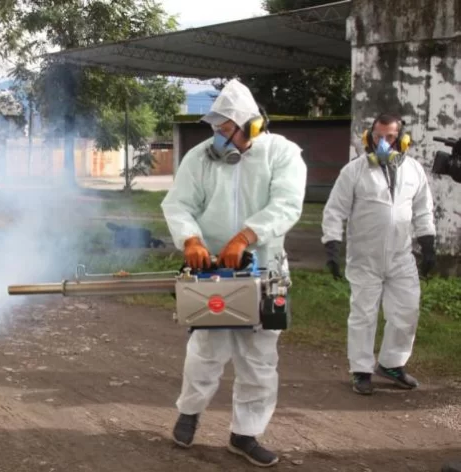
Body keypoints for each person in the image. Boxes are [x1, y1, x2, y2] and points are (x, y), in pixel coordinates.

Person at [161, 79, 307, 468]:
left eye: (226, 131)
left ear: (252, 126)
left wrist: (245, 236)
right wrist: (191, 240)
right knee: (206, 350)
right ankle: (189, 413)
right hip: (213, 273)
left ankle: (246, 434)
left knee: (259, 358)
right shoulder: (200, 157)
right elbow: (178, 204)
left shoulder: (283, 154)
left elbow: (288, 205)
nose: (219, 140)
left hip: (266, 270)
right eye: (215, 131)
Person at [321, 113, 436, 396]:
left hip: (401, 256)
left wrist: (428, 244)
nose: (383, 142)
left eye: (390, 137)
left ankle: (392, 364)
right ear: (368, 137)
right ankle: (361, 370)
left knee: (407, 312)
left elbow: (423, 209)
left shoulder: (414, 171)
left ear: (402, 139)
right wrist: (332, 245)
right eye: (378, 136)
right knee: (363, 314)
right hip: (365, 257)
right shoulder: (354, 171)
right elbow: (335, 210)